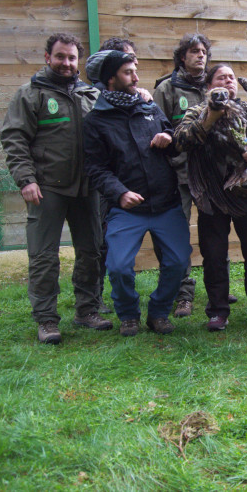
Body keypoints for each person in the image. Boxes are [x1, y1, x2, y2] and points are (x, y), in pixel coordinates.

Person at [0, 33, 111, 345]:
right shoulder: (30, 94)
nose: (66, 63)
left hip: (87, 189)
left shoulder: (91, 94)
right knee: (44, 257)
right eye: (60, 56)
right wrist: (26, 179)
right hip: (46, 188)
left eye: (72, 58)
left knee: (91, 252)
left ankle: (87, 310)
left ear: (79, 61)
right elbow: (14, 139)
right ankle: (47, 319)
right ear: (47, 57)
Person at [174, 64, 247, 332]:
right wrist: (210, 117)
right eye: (220, 77)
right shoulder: (198, 111)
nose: (227, 81)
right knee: (214, 256)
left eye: (231, 77)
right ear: (209, 86)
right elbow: (180, 140)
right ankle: (217, 312)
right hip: (211, 196)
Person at [83, 50, 192, 337]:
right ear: (110, 79)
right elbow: (95, 168)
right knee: (118, 267)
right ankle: (129, 314)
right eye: (128, 72)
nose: (136, 77)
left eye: (135, 71)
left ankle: (158, 312)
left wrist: (169, 138)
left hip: (166, 203)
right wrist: (119, 193)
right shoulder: (96, 121)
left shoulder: (150, 107)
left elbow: (172, 140)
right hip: (127, 208)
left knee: (179, 262)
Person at [154, 33, 238, 317]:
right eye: (193, 51)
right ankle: (183, 294)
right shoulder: (166, 88)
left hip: (213, 175)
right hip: (178, 173)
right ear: (182, 57)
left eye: (203, 51)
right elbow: (158, 126)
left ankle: (220, 288)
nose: (200, 56)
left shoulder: (217, 85)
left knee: (216, 232)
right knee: (177, 237)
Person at [91, 37, 152, 315]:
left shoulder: (142, 99)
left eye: (134, 61)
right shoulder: (93, 101)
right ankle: (96, 299)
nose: (134, 71)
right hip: (106, 185)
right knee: (102, 244)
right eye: (126, 63)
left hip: (143, 189)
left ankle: (177, 294)